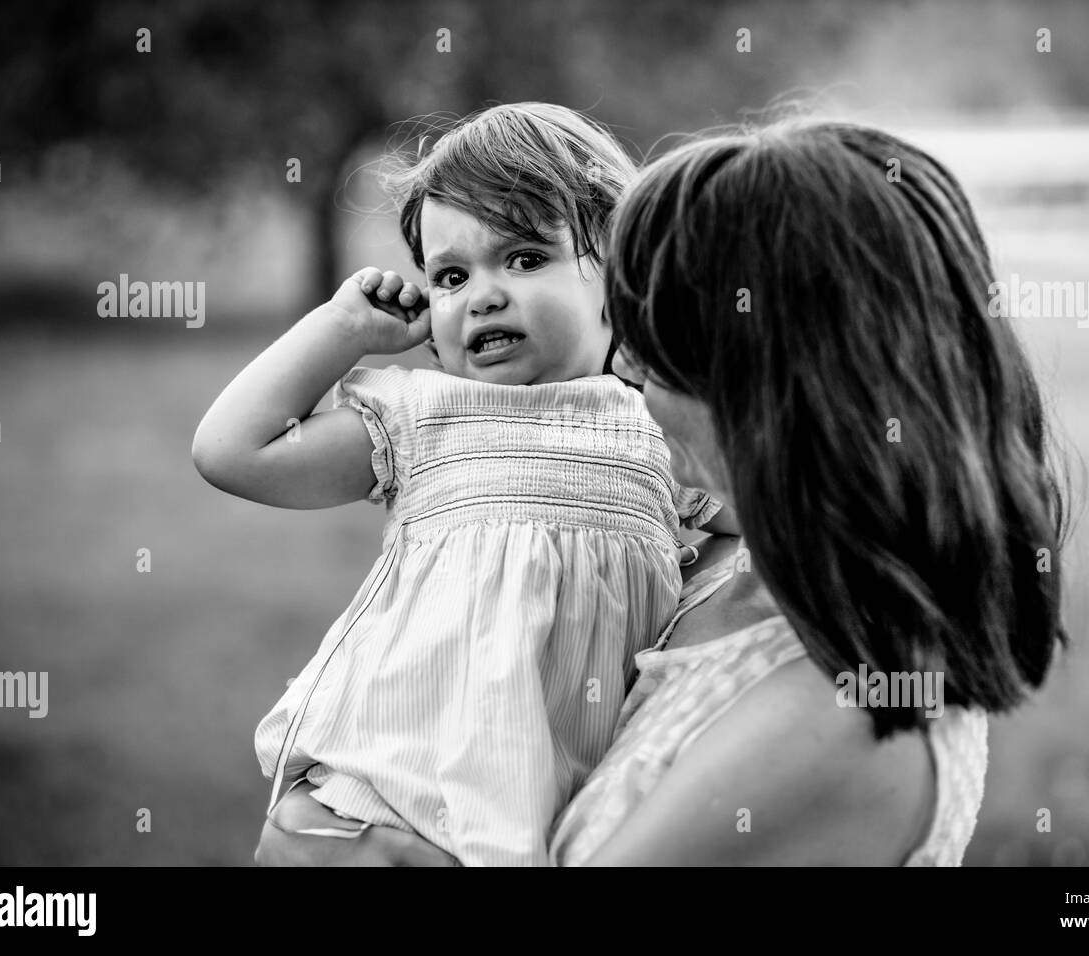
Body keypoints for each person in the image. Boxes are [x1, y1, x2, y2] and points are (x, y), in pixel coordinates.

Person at [256, 114, 1070, 866]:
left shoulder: (850, 708)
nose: (628, 371)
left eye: (654, 336)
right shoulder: (721, 569)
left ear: (770, 375)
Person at [191, 102, 735, 867]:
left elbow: (766, 513)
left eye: (523, 258)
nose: (482, 294)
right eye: (451, 274)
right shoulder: (424, 417)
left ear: (621, 271)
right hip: (369, 813)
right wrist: (340, 331)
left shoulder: (657, 432)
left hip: (529, 837)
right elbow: (232, 451)